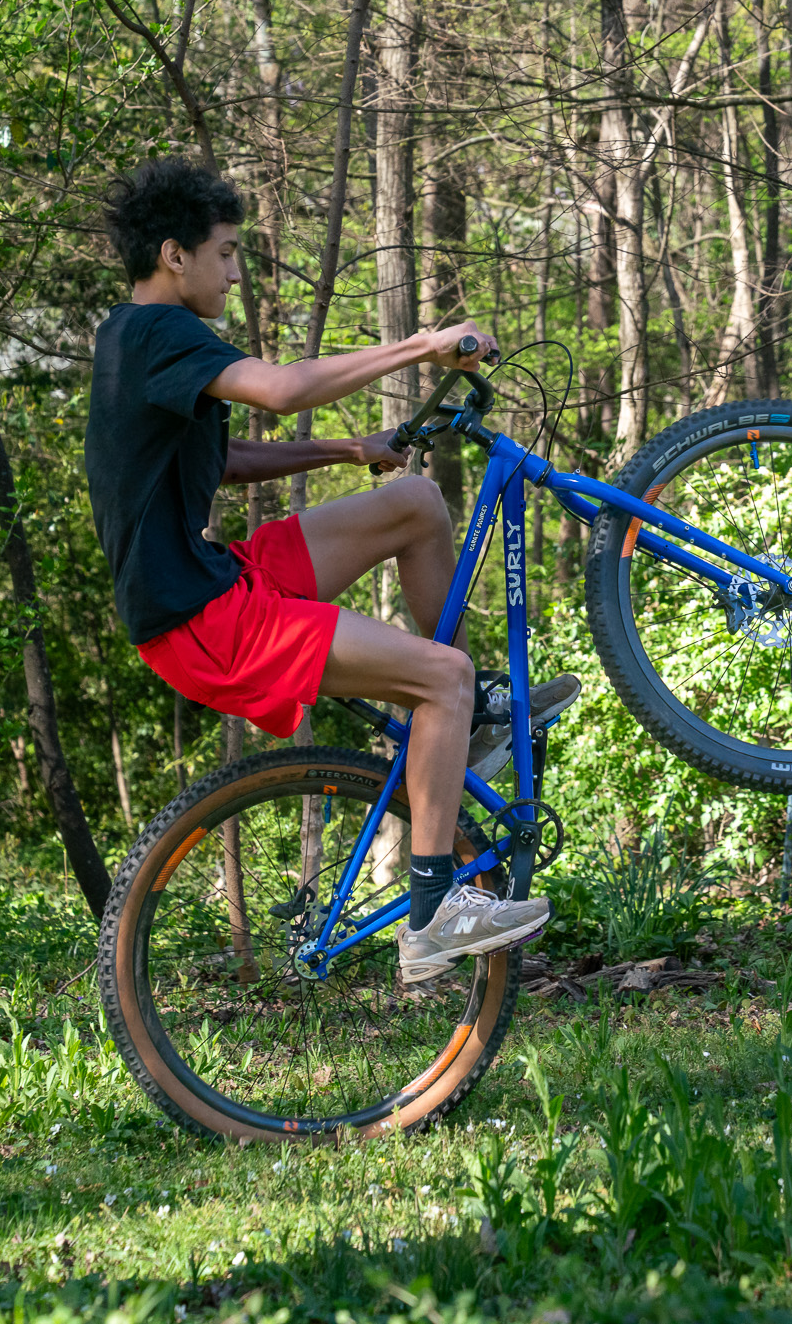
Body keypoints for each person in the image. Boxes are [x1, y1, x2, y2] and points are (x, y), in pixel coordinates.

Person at [85, 158, 575, 985]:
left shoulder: (129, 339)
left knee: (415, 502)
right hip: (199, 615)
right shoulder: (158, 330)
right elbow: (279, 391)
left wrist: (352, 449)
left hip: (218, 576)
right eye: (227, 252)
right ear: (175, 255)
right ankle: (432, 916)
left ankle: (453, 725)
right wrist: (423, 345)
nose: (236, 271)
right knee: (444, 675)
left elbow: (228, 458)